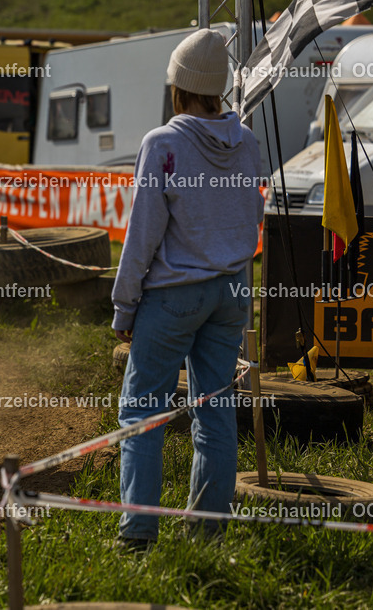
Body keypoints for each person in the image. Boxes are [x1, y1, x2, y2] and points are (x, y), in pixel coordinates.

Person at [111, 29, 264, 547]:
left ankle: (138, 536)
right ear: (217, 87)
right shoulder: (248, 144)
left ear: (177, 85)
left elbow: (142, 235)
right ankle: (208, 534)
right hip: (232, 291)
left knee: (141, 413)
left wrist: (124, 307)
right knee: (215, 408)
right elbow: (251, 220)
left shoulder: (164, 143)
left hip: (174, 295)